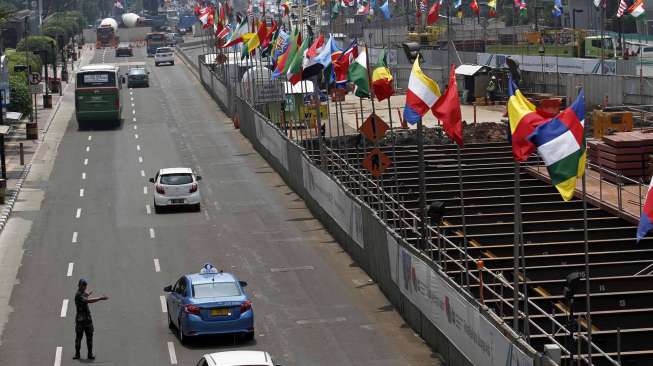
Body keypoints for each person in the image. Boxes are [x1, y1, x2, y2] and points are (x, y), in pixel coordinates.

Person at [73, 279, 108, 360]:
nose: (85, 288)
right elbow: (88, 300)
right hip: (81, 321)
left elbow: (85, 295)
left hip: (86, 320)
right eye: (84, 286)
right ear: (80, 286)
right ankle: (77, 354)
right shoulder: (78, 295)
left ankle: (90, 354)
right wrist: (100, 298)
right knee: (79, 338)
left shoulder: (82, 293)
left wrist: (88, 293)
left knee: (89, 338)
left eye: (85, 286)